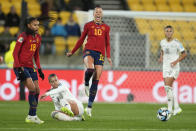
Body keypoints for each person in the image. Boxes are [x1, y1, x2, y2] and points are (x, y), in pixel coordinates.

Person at [66, 6, 112, 117]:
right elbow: (81, 39)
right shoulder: (88, 25)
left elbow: (107, 43)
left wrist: (109, 56)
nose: (98, 13)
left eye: (100, 12)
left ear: (102, 15)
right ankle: (86, 83)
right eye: (96, 12)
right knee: (90, 69)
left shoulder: (106, 28)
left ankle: (89, 107)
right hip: (89, 51)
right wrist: (72, 52)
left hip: (100, 54)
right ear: (94, 14)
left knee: (97, 78)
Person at [13, 17, 45, 124]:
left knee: (37, 91)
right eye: (34, 25)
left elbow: (36, 55)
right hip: (21, 66)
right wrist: (19, 68)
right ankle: (32, 116)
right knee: (32, 89)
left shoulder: (38, 38)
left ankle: (32, 116)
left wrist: (39, 69)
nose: (37, 27)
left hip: (31, 67)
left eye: (38, 25)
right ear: (29, 25)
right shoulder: (23, 36)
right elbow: (15, 53)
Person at [159, 25, 187, 116]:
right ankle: (177, 107)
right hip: (165, 67)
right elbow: (162, 50)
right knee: (168, 89)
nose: (168, 32)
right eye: (167, 31)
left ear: (173, 32)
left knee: (167, 87)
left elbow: (184, 54)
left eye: (170, 31)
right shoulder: (162, 42)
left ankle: (169, 110)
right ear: (164, 32)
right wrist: (161, 57)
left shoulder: (176, 42)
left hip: (174, 67)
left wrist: (175, 61)